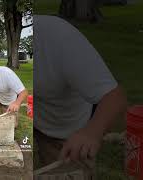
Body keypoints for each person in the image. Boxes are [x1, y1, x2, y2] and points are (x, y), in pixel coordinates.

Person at [34, 15, 127, 177]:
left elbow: (115, 97)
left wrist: (91, 132)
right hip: (36, 120)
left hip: (65, 133)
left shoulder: (59, 38)